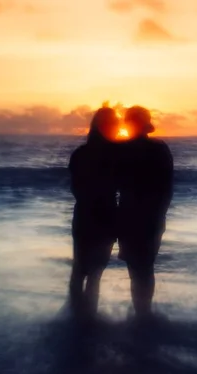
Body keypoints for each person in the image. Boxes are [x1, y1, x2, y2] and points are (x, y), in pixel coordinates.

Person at [118, 106, 174, 319]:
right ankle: (143, 312)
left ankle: (140, 312)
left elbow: (117, 182)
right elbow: (167, 187)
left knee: (136, 268)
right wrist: (160, 213)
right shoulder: (160, 148)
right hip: (152, 216)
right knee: (145, 267)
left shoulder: (125, 150)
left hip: (131, 216)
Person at [68, 107, 120, 315]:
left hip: (87, 213)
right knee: (93, 271)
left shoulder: (81, 153)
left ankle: (77, 315)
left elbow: (75, 187)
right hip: (104, 214)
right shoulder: (116, 154)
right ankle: (87, 315)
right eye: (113, 123)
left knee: (80, 269)